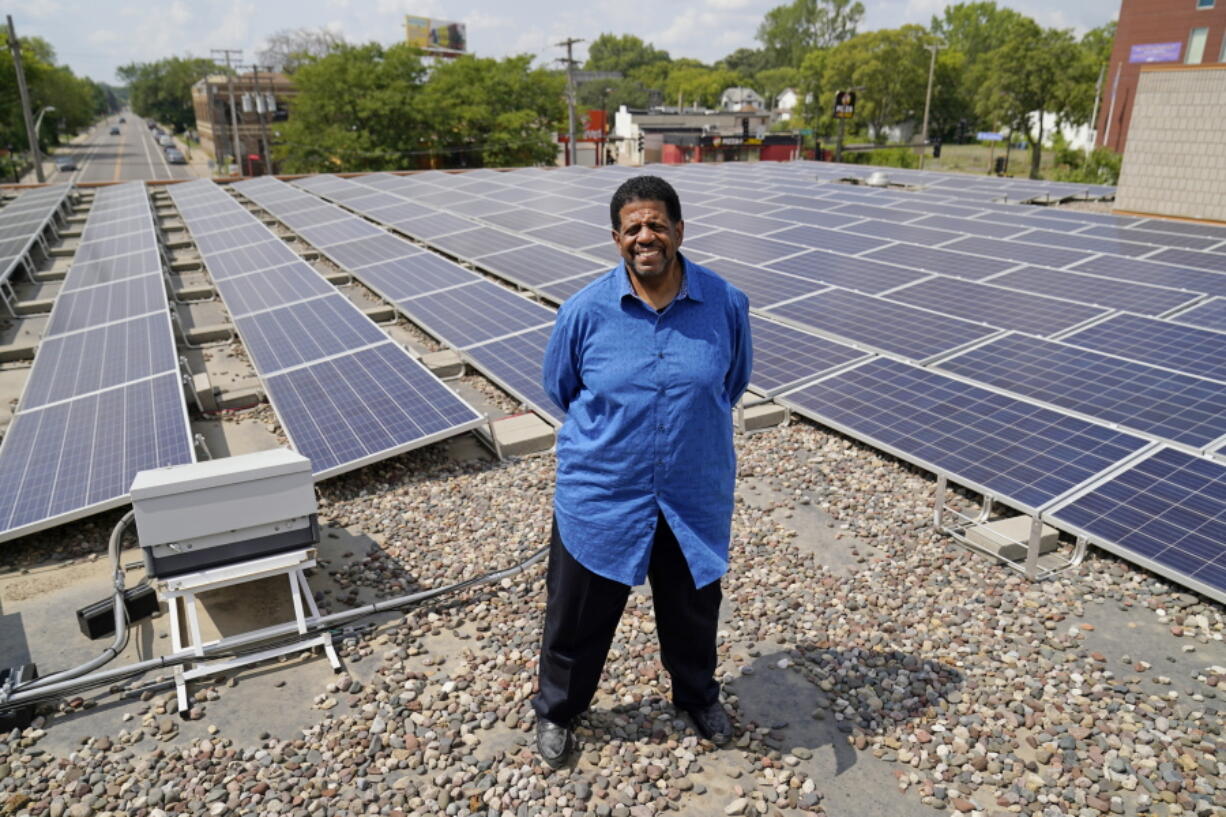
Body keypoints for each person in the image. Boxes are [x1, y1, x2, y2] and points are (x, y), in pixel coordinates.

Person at [533, 174, 753, 768]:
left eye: (657, 224)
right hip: (602, 493)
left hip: (691, 492)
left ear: (680, 230)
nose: (645, 236)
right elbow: (563, 389)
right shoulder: (584, 312)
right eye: (632, 228)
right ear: (616, 238)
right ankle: (557, 710)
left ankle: (697, 695)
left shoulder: (726, 305)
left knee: (691, 611)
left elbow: (729, 385)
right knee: (576, 617)